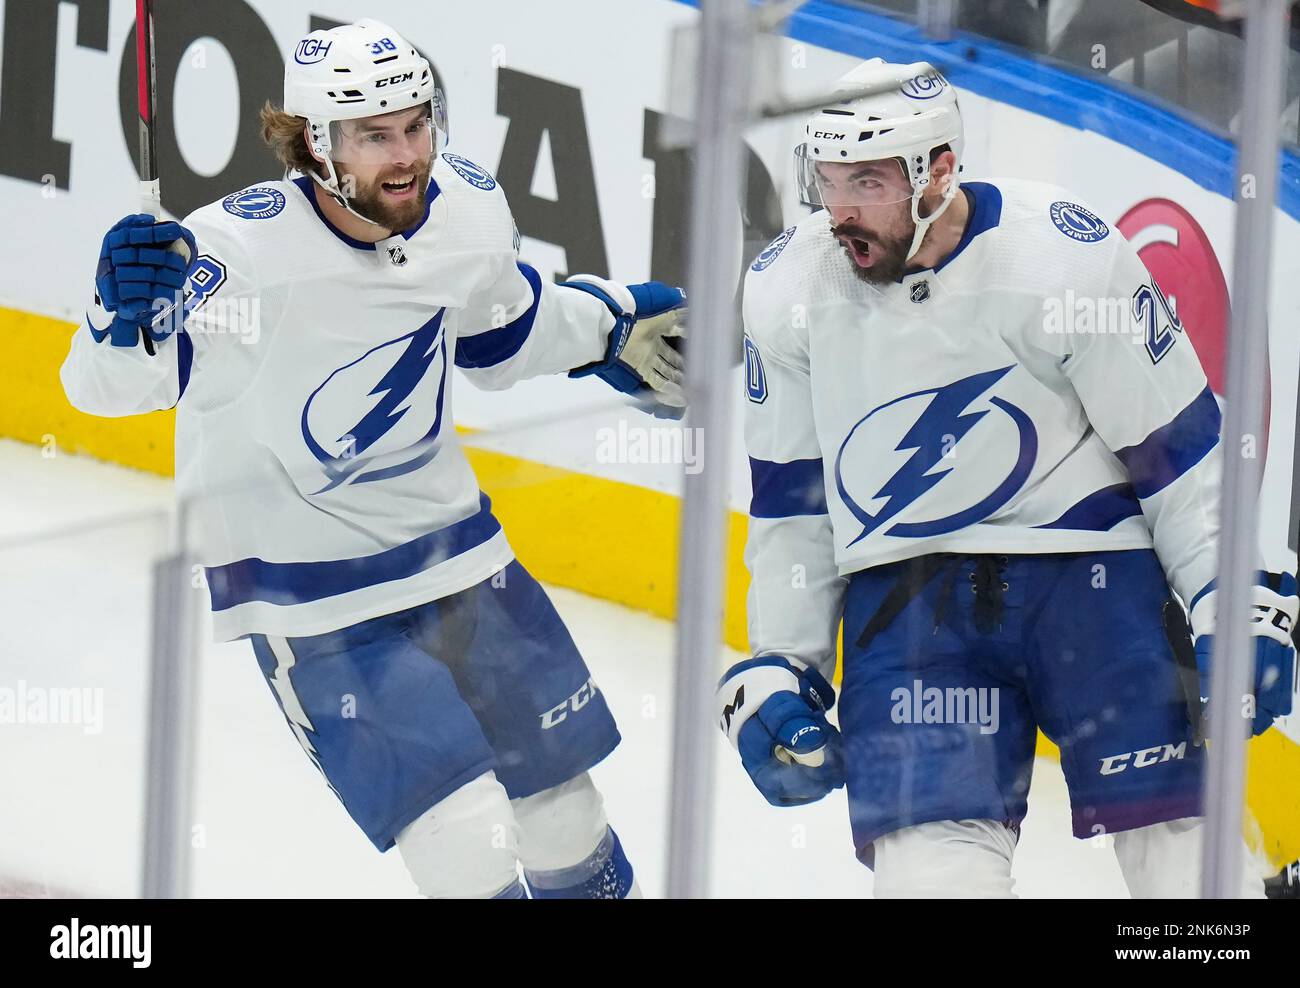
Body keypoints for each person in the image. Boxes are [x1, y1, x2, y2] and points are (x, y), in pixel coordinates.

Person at [62, 19, 687, 899]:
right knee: (465, 844)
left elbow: (502, 332)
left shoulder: (463, 205)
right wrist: (114, 312)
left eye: (417, 124)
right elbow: (110, 386)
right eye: (374, 136)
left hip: (459, 557)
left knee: (568, 817)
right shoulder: (238, 258)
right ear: (315, 145)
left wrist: (608, 326)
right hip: (311, 599)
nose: (406, 155)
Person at [717, 57, 1296, 898]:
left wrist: (1227, 594)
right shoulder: (786, 290)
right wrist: (784, 658)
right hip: (910, 608)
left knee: (1190, 876)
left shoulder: (1063, 258)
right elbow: (791, 498)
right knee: (929, 884)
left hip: (1094, 580)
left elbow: (1175, 449)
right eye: (826, 178)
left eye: (867, 182)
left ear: (939, 171)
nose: (839, 210)